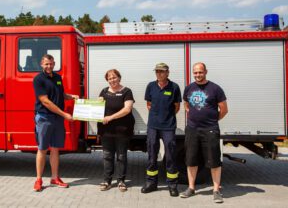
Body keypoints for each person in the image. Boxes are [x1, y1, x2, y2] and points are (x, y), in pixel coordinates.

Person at [180, 62, 228, 203]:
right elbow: (186, 104)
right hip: (192, 129)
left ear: (206, 72)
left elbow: (224, 109)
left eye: (200, 72)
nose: (197, 75)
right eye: (195, 72)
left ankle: (216, 190)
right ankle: (191, 188)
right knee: (191, 159)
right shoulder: (189, 88)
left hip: (210, 129)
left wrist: (213, 120)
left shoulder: (215, 89)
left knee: (214, 161)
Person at [32, 54, 79, 192]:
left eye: (51, 64)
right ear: (42, 64)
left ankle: (54, 178)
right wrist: (64, 114)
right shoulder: (38, 79)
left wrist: (72, 97)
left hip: (57, 119)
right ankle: (39, 180)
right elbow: (45, 101)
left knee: (55, 149)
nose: (49, 66)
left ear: (54, 63)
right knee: (42, 148)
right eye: (46, 64)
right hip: (44, 117)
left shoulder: (58, 77)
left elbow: (60, 94)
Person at [141, 63, 181, 197]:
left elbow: (177, 107)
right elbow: (149, 104)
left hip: (168, 126)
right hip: (153, 126)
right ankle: (151, 183)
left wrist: (166, 117)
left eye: (162, 71)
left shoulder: (174, 87)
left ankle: (172, 185)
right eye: (157, 71)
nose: (159, 74)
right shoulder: (151, 86)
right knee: (152, 154)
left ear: (168, 73)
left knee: (170, 155)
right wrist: (157, 116)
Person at [97, 69, 135, 192]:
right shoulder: (103, 92)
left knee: (121, 156)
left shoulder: (127, 91)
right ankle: (107, 180)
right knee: (107, 156)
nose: (112, 80)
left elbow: (127, 109)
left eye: (114, 77)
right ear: (107, 80)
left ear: (119, 78)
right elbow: (97, 107)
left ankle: (121, 181)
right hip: (106, 131)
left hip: (122, 130)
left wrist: (110, 117)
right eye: (109, 78)